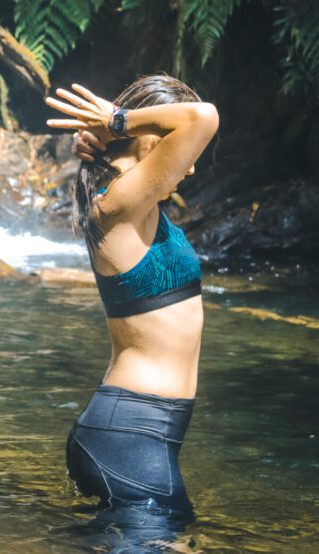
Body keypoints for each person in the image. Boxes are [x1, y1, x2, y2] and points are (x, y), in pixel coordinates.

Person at [45, 75, 219, 526]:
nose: (193, 167)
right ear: (148, 139)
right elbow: (203, 117)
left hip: (136, 434)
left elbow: (189, 124)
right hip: (130, 435)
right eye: (188, 152)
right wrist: (117, 121)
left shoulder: (134, 196)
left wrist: (105, 135)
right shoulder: (119, 202)